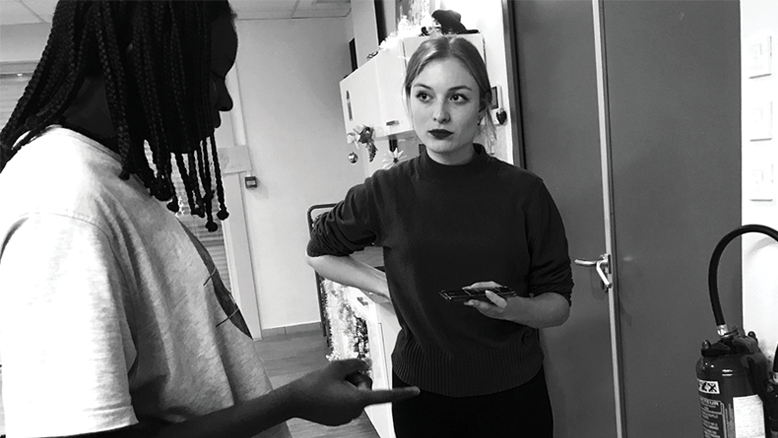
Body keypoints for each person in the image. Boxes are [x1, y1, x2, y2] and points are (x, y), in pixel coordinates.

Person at [0, 1, 419, 437]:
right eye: (212, 76)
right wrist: (292, 401)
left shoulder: (106, 175)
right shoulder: (61, 203)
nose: (225, 99)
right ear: (140, 56)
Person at [306, 35, 573, 438]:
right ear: (409, 100)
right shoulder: (386, 191)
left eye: (458, 98)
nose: (440, 115)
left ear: (482, 106)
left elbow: (558, 306)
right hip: (422, 396)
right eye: (424, 96)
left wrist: (511, 308)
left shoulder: (525, 193)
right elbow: (318, 251)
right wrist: (385, 285)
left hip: (513, 394)